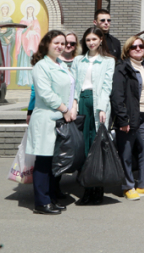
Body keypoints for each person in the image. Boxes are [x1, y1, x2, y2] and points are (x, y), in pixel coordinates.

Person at [25, 30, 73, 215]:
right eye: (56, 43)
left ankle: (51, 197)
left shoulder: (61, 64)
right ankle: (41, 202)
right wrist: (64, 108)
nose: (60, 46)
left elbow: (71, 87)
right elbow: (45, 93)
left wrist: (72, 106)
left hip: (60, 118)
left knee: (55, 161)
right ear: (46, 44)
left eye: (63, 43)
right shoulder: (41, 66)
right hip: (46, 118)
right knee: (44, 161)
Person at [111, 36, 144, 201]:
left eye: (140, 46)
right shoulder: (122, 68)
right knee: (126, 152)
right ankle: (128, 186)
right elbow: (117, 96)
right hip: (129, 116)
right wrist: (123, 119)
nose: (138, 49)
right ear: (127, 50)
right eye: (133, 47)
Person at [73, 26, 115, 205]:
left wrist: (103, 108)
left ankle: (98, 189)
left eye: (94, 39)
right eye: (88, 40)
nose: (91, 43)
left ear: (100, 41)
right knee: (82, 145)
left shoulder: (108, 61)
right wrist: (73, 103)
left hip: (98, 103)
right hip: (81, 101)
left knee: (96, 145)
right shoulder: (78, 60)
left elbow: (106, 86)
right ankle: (86, 189)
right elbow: (73, 84)